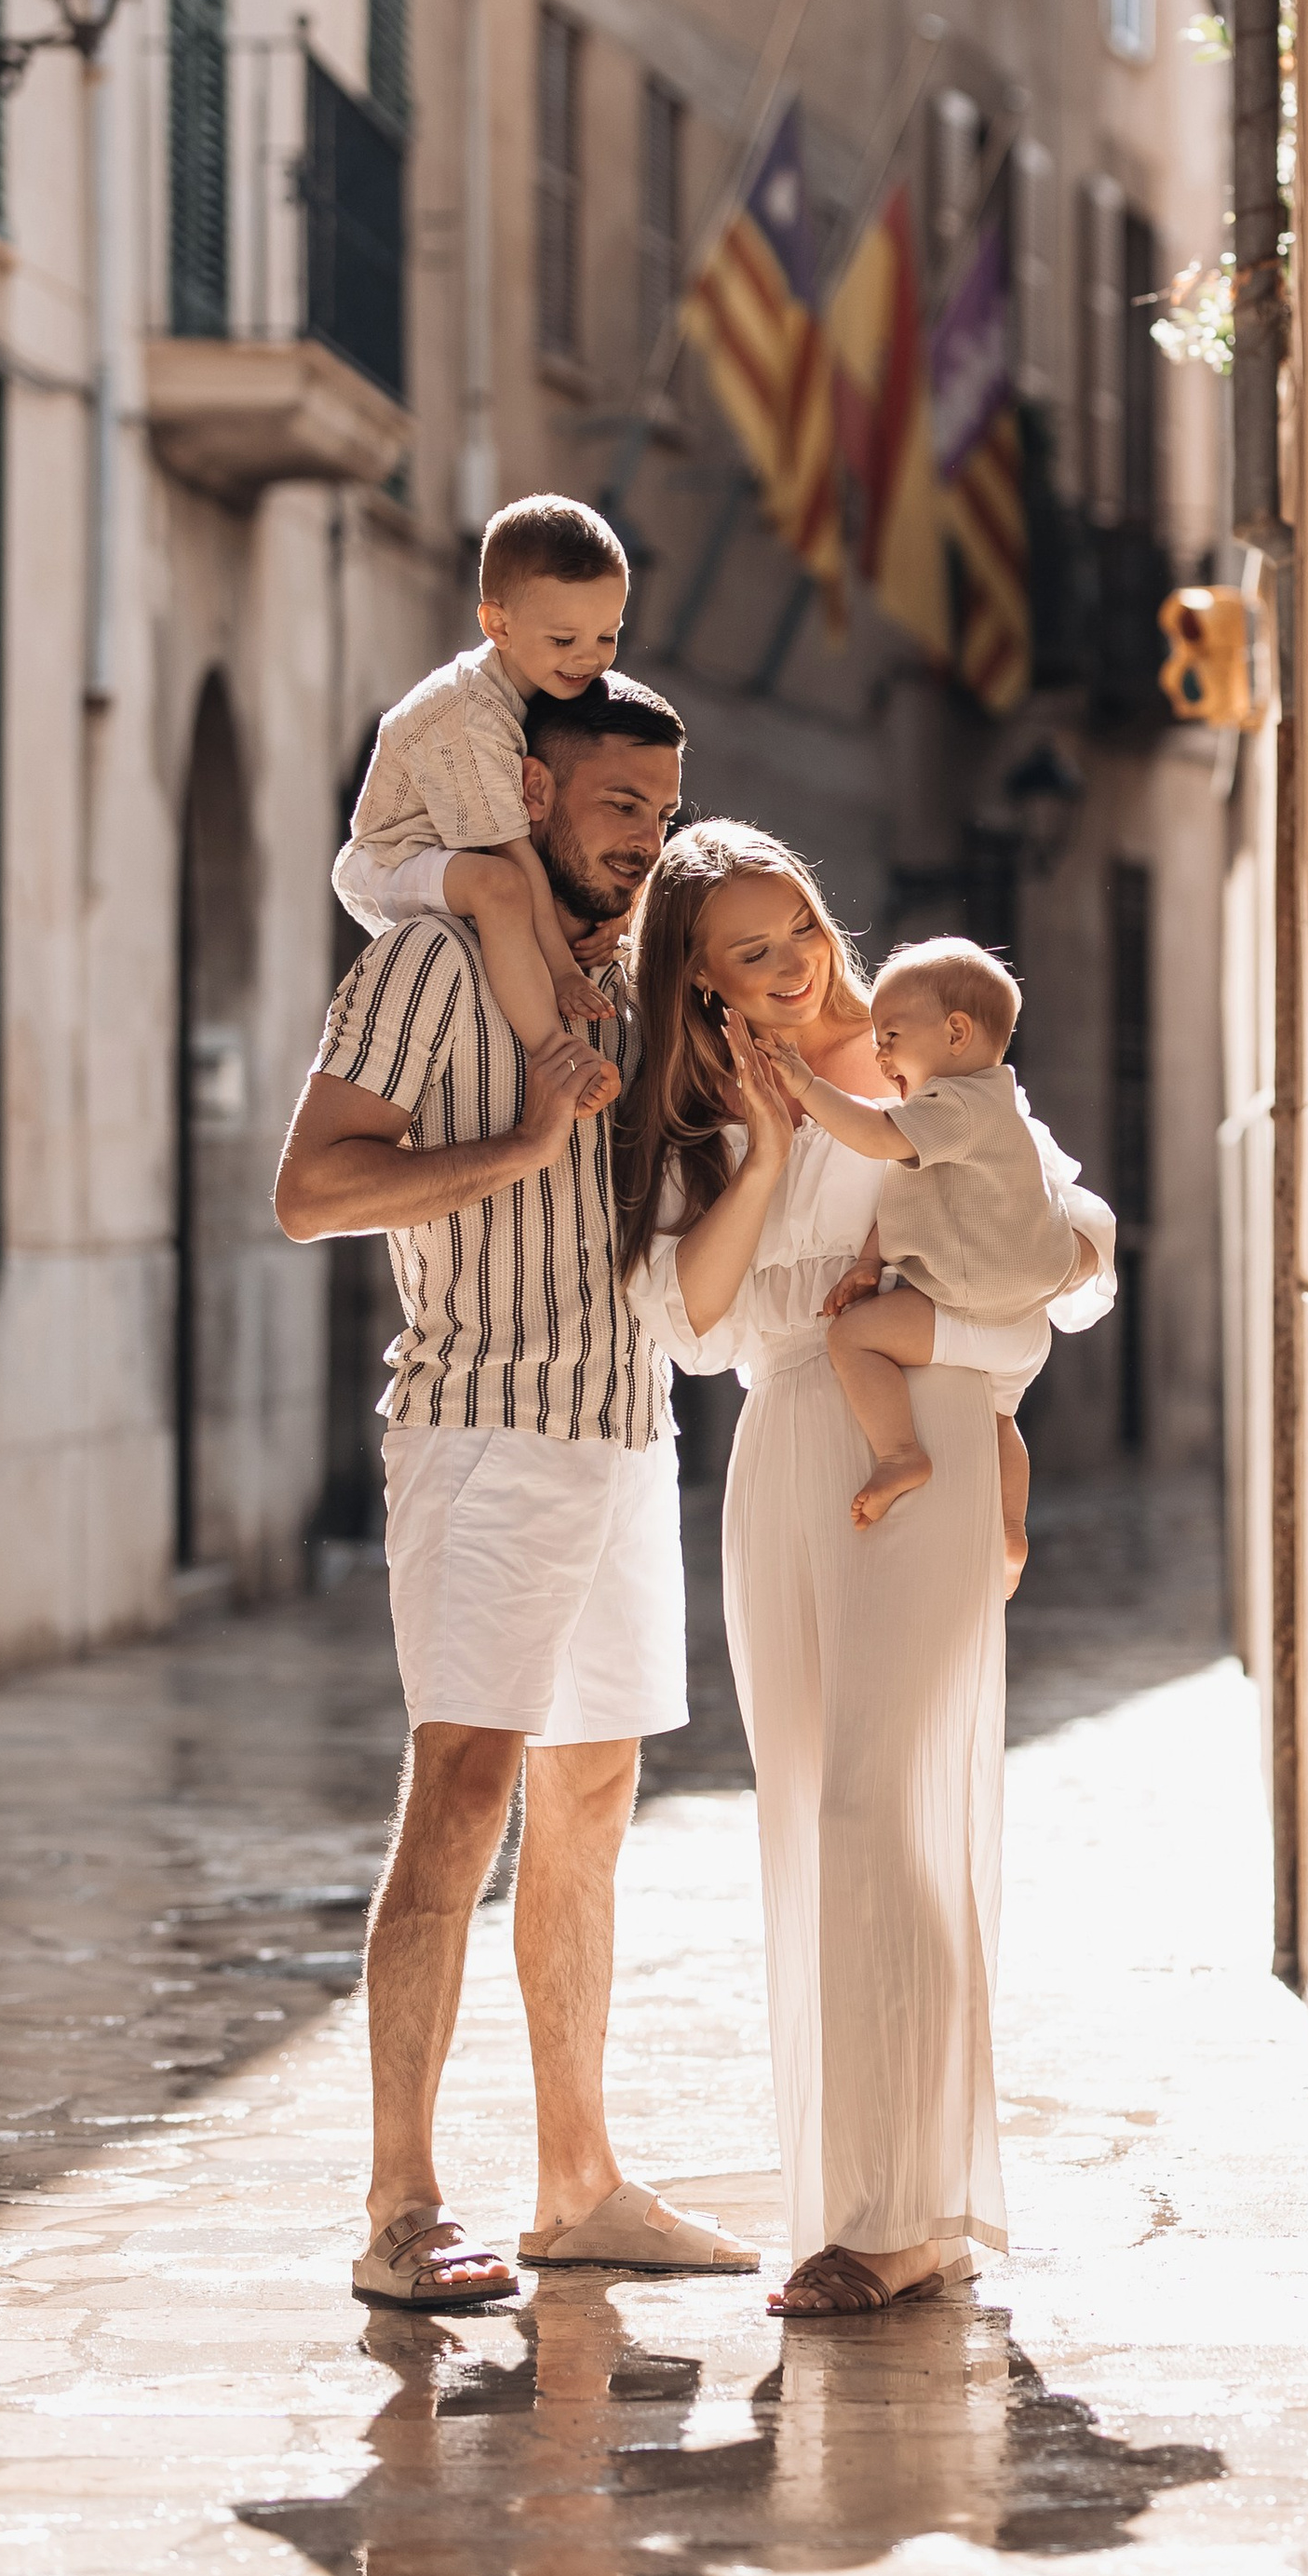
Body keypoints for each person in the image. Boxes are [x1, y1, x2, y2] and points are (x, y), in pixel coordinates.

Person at [275, 671, 757, 2313]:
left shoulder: (636, 986)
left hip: (626, 1432)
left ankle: (576, 2182)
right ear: (536, 795)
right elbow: (311, 1187)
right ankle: (398, 2206)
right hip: (481, 1430)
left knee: (594, 1802)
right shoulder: (423, 965)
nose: (647, 840)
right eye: (622, 805)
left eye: (665, 815)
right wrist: (515, 1147)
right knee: (462, 1792)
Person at [614, 822, 1115, 2321]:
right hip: (785, 1456)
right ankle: (871, 2201)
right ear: (697, 983)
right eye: (748, 956)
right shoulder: (695, 1113)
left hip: (932, 1444)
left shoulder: (923, 1060)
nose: (791, 971)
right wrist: (771, 1155)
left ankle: (911, 2212)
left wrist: (966, 1299)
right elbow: (689, 1324)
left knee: (881, 1801)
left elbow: (1078, 1256)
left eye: (800, 934)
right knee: (817, 1823)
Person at [762, 936, 1093, 1594]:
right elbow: (911, 1194)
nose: (879, 1053)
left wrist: (805, 1082)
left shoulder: (955, 1106)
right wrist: (867, 1262)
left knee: (851, 1337)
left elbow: (875, 1136)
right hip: (1023, 1328)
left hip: (972, 1305)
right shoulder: (993, 1111)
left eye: (890, 1035)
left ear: (956, 1032)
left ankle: (899, 1453)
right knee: (1000, 1420)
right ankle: (1009, 1528)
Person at [334, 492, 631, 1052]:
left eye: (608, 636)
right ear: (498, 624)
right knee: (500, 887)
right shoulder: (470, 717)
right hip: (394, 857)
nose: (588, 659)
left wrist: (621, 908)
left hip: (464, 848)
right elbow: (513, 857)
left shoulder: (553, 683)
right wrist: (564, 971)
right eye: (564, 640)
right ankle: (551, 1050)